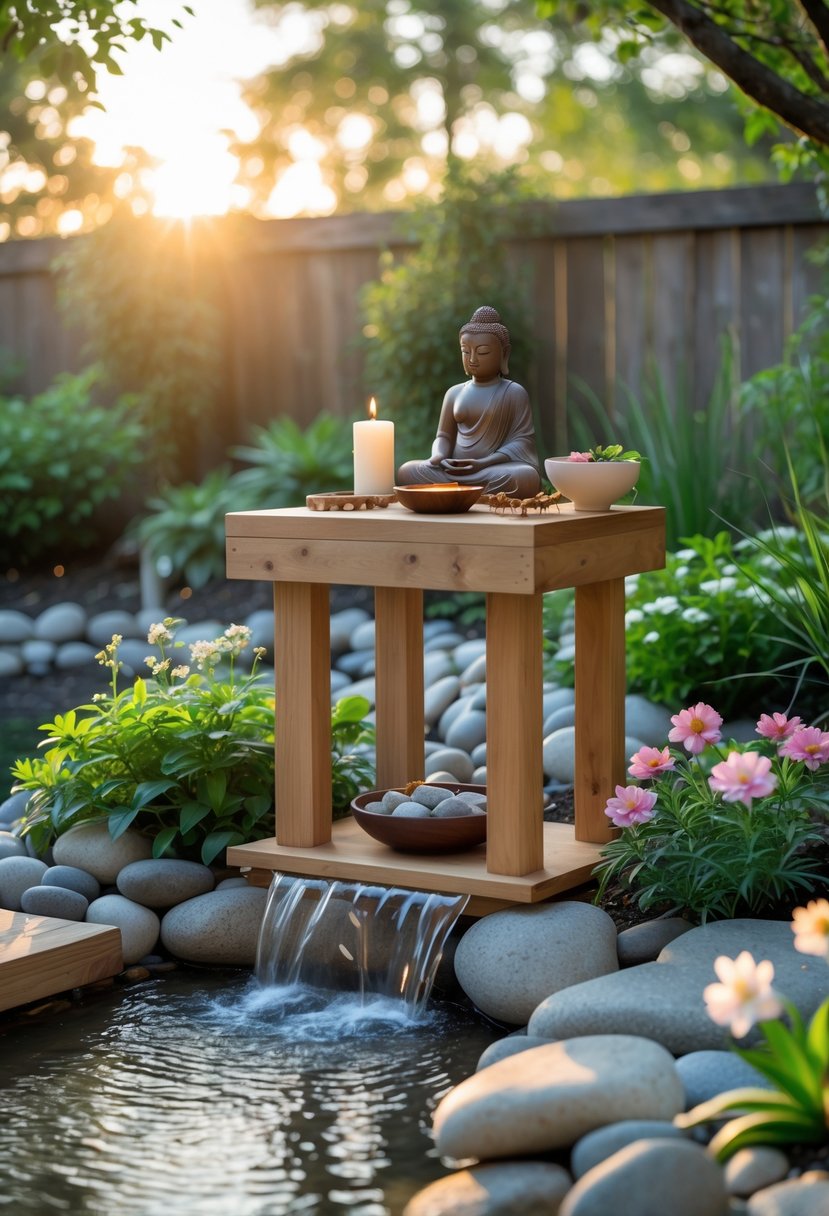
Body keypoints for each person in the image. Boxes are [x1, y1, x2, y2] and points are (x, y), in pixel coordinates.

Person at [396, 306, 541, 497]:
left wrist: (483, 463)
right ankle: (469, 493)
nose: (472, 359)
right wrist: (438, 457)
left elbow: (522, 442)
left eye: (482, 352)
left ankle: (456, 494)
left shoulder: (513, 392)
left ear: (504, 354)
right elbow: (444, 437)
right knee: (407, 471)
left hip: (491, 470)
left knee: (525, 478)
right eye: (465, 351)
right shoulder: (454, 393)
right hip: (453, 471)